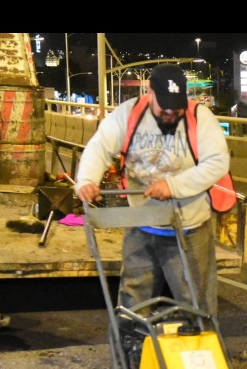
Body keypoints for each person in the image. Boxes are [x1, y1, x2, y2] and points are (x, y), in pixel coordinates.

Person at [76, 63, 230, 319]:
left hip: (188, 230)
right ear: (150, 93)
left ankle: (199, 341)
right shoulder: (129, 114)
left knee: (195, 305)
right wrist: (87, 181)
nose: (170, 113)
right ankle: (131, 341)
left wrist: (172, 186)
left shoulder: (200, 118)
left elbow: (217, 163)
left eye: (176, 108)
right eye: (164, 107)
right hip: (141, 227)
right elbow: (99, 147)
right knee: (132, 303)